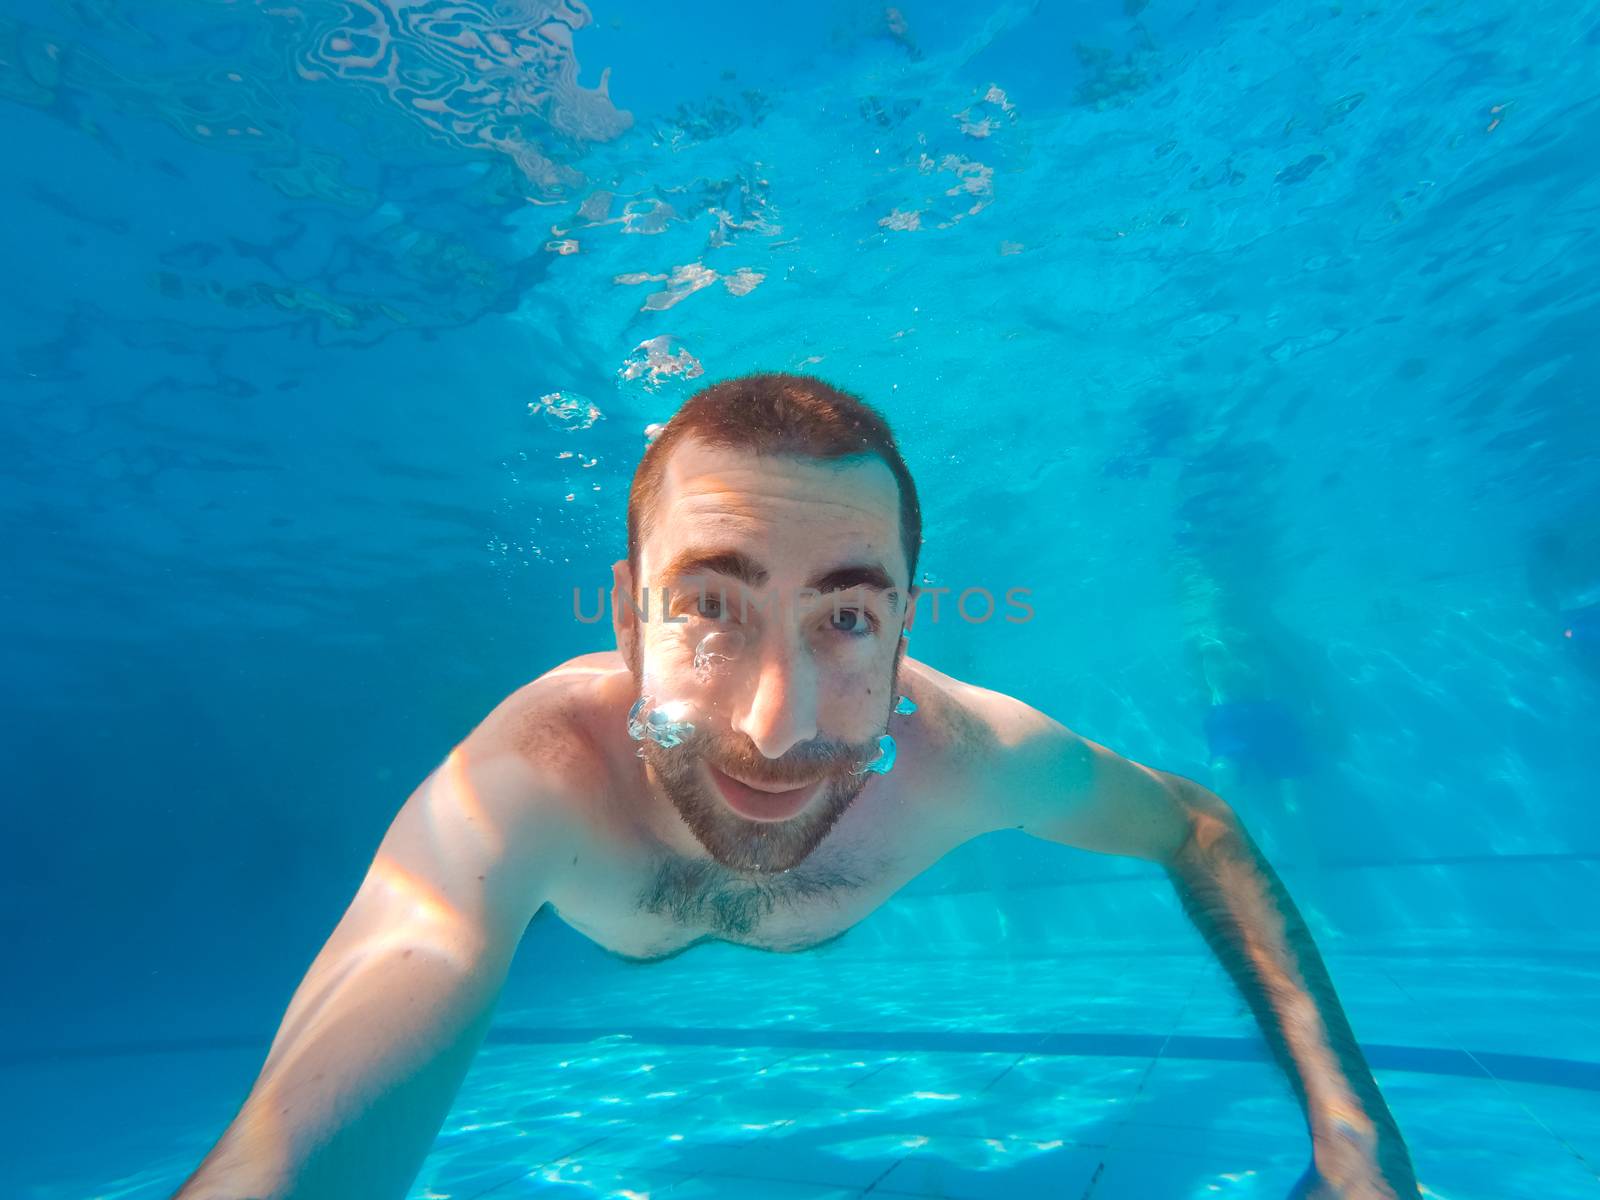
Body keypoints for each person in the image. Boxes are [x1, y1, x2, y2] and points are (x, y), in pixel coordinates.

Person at [175, 374, 1420, 1200]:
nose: (776, 730)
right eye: (711, 609)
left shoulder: (969, 753)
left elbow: (1197, 827)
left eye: (847, 618)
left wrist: (1353, 1142)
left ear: (904, 629)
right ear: (624, 619)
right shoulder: (535, 777)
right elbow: (319, 1106)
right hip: (632, 932)